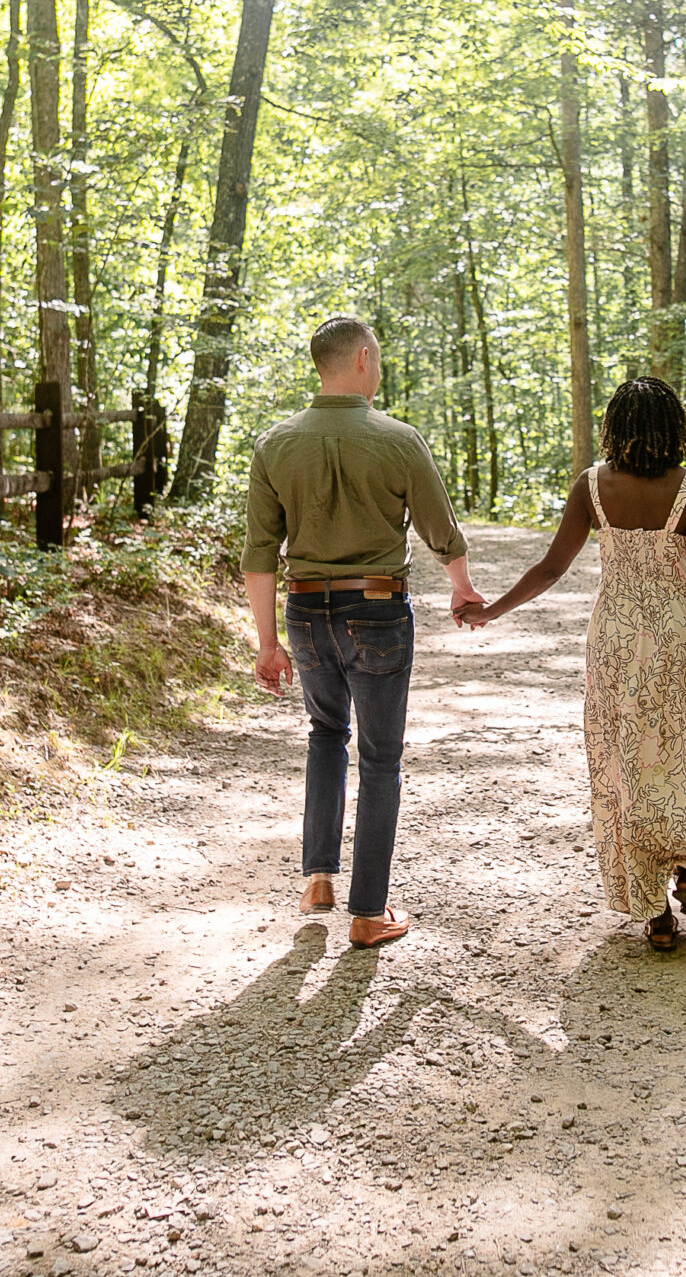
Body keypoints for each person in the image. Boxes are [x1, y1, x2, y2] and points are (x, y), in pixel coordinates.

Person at [462, 376, 686, 951]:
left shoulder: (592, 487)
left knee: (626, 764)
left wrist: (493, 610)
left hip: (613, 640)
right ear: (672, 428)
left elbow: (551, 567)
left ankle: (655, 911)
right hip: (677, 641)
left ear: (616, 427)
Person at [242, 316, 486, 948]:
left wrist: (266, 644)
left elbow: (260, 554)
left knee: (325, 736)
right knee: (380, 759)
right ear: (361, 360)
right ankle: (368, 912)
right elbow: (440, 527)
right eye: (375, 359)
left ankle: (318, 876)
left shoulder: (274, 444)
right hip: (376, 611)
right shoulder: (399, 439)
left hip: (304, 613)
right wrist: (461, 585)